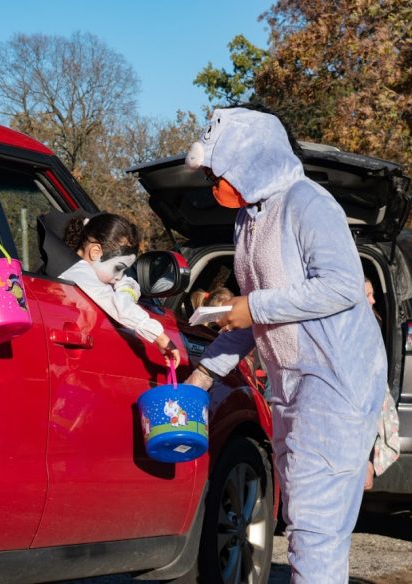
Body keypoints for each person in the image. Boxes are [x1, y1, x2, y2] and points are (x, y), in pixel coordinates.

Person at [183, 106, 386, 584]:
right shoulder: (249, 220)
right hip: (289, 384)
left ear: (253, 159)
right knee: (303, 517)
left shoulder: (307, 202)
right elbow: (250, 314)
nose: (215, 182)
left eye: (220, 170)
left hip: (335, 378)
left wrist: (252, 308)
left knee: (316, 525)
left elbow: (340, 285)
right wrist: (203, 375)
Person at [58, 213, 180, 367]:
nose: (119, 277)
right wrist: (160, 337)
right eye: (118, 268)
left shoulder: (90, 269)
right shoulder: (78, 272)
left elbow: (127, 282)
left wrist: (126, 293)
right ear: (95, 252)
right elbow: (116, 304)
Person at [364, 277, 400, 490]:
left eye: (373, 294)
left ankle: (368, 465)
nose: (374, 300)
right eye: (367, 295)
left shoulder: (373, 322)